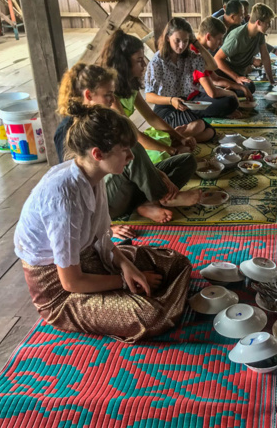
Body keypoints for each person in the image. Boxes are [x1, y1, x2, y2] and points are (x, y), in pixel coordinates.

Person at [15, 102, 193, 343]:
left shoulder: (92, 175)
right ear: (98, 154)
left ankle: (142, 296)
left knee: (177, 263)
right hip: (60, 291)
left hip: (91, 258)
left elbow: (103, 239)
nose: (131, 156)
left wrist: (126, 266)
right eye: (125, 150)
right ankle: (147, 300)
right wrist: (121, 279)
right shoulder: (63, 197)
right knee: (151, 316)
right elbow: (71, 282)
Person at [54, 63, 200, 226]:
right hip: (101, 202)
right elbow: (72, 188)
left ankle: (145, 204)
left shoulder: (102, 118)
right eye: (108, 94)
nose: (113, 100)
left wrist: (157, 172)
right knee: (132, 150)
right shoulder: (68, 130)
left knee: (186, 160)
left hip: (122, 186)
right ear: (88, 95)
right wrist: (107, 228)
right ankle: (163, 197)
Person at [99, 30, 196, 156]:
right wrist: (170, 150)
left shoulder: (130, 85)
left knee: (180, 144)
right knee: (176, 153)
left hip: (130, 136)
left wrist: (179, 137)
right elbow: (131, 133)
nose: (144, 64)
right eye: (139, 60)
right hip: (114, 146)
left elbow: (151, 117)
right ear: (124, 63)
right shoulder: (110, 94)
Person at [145, 18, 240, 142]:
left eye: (185, 41)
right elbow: (149, 97)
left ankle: (177, 139)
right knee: (199, 126)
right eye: (177, 41)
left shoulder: (189, 57)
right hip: (165, 108)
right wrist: (171, 100)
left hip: (184, 105)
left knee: (210, 132)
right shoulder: (158, 61)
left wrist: (197, 43)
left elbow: (213, 66)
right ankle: (176, 138)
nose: (181, 46)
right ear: (168, 38)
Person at [215, 3, 277, 94]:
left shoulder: (259, 34)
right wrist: (236, 77)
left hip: (240, 73)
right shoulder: (237, 37)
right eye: (268, 23)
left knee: (249, 87)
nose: (269, 26)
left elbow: (265, 56)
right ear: (258, 23)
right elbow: (217, 59)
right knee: (249, 88)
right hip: (226, 74)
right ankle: (224, 89)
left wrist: (272, 81)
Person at [195, 17, 254, 101]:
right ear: (208, 37)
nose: (221, 43)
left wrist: (241, 88)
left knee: (248, 87)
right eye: (219, 39)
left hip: (207, 88)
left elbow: (216, 79)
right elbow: (212, 93)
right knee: (229, 102)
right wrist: (231, 93)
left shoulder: (203, 50)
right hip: (192, 97)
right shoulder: (196, 53)